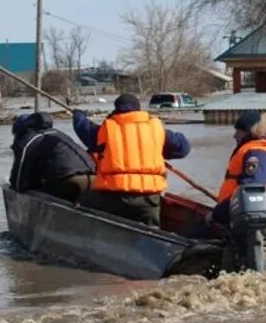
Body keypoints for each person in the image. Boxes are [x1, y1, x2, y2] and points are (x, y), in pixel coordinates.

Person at [72, 93, 191, 227]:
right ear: (139, 109)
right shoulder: (157, 129)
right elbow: (183, 148)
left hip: (113, 197)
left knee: (80, 202)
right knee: (153, 232)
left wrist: (78, 114)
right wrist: (159, 148)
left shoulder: (105, 130)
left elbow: (83, 128)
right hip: (148, 199)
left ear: (116, 110)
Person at [204, 110, 266, 237]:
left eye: (239, 131)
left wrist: (217, 214)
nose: (235, 136)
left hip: (257, 222)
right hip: (256, 218)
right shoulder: (263, 149)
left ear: (250, 132)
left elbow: (251, 191)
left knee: (195, 235)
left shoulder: (259, 152)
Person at [9, 112, 95, 202]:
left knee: (35, 191)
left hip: (72, 182)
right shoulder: (58, 133)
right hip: (94, 179)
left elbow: (18, 181)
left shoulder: (28, 140)